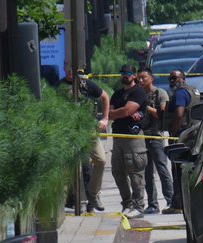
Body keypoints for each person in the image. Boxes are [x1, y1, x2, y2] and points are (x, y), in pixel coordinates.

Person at [61, 64, 109, 212]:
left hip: (88, 129)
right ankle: (66, 199)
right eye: (67, 68)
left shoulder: (86, 84)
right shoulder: (59, 86)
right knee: (70, 166)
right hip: (69, 132)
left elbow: (104, 96)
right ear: (63, 69)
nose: (70, 72)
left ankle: (93, 195)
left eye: (72, 69)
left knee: (100, 160)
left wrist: (105, 119)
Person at [107, 65, 149, 219]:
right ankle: (127, 203)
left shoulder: (138, 92)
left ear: (134, 75)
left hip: (133, 136)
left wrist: (118, 112)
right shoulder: (117, 94)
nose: (125, 75)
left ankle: (138, 206)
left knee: (135, 171)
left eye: (128, 73)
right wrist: (118, 113)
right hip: (118, 136)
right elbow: (109, 114)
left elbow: (127, 110)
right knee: (117, 171)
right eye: (123, 73)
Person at [137, 70, 174, 214]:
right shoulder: (138, 94)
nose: (141, 80)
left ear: (151, 79)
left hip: (156, 136)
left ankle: (170, 200)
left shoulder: (160, 93)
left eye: (144, 78)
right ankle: (152, 204)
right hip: (142, 136)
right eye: (139, 78)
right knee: (147, 172)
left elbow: (161, 113)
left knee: (162, 169)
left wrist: (144, 106)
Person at [163, 69, 194, 214]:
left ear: (183, 79)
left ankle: (178, 205)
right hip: (192, 135)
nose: (172, 81)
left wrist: (174, 132)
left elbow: (180, 113)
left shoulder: (180, 93)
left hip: (181, 137)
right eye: (170, 78)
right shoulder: (193, 91)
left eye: (175, 78)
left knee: (178, 171)